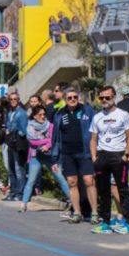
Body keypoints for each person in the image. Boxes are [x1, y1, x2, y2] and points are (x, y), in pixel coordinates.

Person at [90, 86, 129, 234]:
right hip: (102, 155)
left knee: (122, 189)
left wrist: (126, 154)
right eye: (101, 98)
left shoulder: (123, 115)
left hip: (118, 155)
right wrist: (94, 157)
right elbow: (93, 138)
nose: (104, 100)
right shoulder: (97, 117)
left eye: (107, 97)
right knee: (103, 190)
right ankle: (105, 222)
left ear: (114, 97)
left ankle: (127, 223)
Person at [51, 88, 99, 224]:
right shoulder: (59, 114)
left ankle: (94, 212)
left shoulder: (87, 111)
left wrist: (96, 151)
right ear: (65, 99)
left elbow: (95, 131)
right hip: (67, 154)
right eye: (69, 97)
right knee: (72, 182)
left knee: (89, 181)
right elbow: (55, 138)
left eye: (75, 97)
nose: (72, 100)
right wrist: (55, 158)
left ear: (78, 98)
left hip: (85, 152)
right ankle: (77, 213)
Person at [19, 105, 69, 213]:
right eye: (39, 115)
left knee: (60, 178)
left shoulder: (50, 125)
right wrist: (46, 141)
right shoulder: (30, 126)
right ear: (34, 116)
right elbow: (32, 141)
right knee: (31, 180)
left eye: (43, 114)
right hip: (35, 156)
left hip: (50, 157)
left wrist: (47, 145)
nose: (42, 116)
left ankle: (73, 201)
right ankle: (24, 204)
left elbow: (53, 139)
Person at [2, 91, 28, 201]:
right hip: (10, 142)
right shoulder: (9, 112)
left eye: (15, 99)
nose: (13, 101)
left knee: (19, 169)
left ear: (18, 100)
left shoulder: (21, 113)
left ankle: (20, 193)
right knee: (11, 168)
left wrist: (16, 133)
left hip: (18, 143)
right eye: (11, 99)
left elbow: (24, 130)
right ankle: (13, 192)